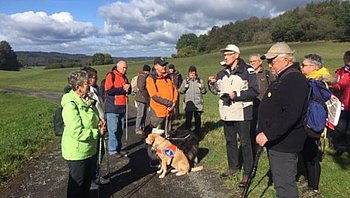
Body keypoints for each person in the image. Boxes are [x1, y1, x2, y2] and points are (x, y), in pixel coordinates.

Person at [256, 42, 309, 198]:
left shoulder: (294, 79)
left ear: (286, 60)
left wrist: (269, 134)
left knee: (285, 185)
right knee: (281, 182)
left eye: (273, 61)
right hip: (277, 140)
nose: (270, 65)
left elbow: (291, 114)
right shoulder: (284, 77)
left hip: (284, 143)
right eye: (268, 61)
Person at [208, 44, 259, 187]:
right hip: (226, 113)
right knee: (230, 141)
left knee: (245, 143)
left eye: (228, 54)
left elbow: (254, 91)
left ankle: (247, 173)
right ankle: (233, 167)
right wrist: (211, 83)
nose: (225, 57)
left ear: (236, 55)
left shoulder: (248, 70)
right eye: (224, 54)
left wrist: (236, 95)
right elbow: (216, 90)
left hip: (242, 112)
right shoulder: (222, 73)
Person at [61, 70, 106, 198]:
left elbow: (93, 117)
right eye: (86, 83)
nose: (89, 85)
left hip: (90, 150)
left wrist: (100, 122)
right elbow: (77, 132)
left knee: (86, 185)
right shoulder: (70, 104)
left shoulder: (87, 99)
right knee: (77, 188)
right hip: (77, 152)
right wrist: (97, 132)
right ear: (78, 87)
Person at [300, 54, 336, 196]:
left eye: (304, 65)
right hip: (308, 121)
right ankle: (309, 179)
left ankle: (314, 188)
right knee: (306, 152)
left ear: (314, 67)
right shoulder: (311, 79)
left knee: (312, 155)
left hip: (313, 123)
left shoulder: (317, 81)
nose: (301, 67)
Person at [81, 66, 110, 189]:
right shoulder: (85, 93)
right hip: (94, 127)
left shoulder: (96, 89)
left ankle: (96, 175)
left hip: (101, 124)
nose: (96, 79)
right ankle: (91, 179)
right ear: (87, 78)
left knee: (100, 152)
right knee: (94, 155)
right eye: (93, 77)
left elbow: (100, 105)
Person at [248, 53, 274, 156]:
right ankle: (253, 147)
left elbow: (274, 88)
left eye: (254, 61)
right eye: (250, 62)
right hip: (251, 105)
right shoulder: (248, 75)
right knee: (251, 127)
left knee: (264, 127)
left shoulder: (267, 74)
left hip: (265, 106)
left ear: (260, 62)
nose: (252, 63)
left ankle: (265, 146)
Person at [104, 60, 131, 157]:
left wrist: (129, 87)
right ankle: (112, 150)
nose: (125, 69)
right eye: (124, 68)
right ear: (118, 67)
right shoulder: (111, 75)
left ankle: (118, 149)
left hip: (122, 107)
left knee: (120, 130)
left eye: (126, 68)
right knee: (113, 130)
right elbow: (109, 90)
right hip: (112, 107)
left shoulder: (124, 77)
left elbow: (128, 90)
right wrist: (122, 89)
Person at [146, 57, 178, 134]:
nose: (164, 66)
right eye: (162, 65)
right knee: (155, 138)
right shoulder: (151, 79)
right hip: (157, 113)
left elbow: (175, 91)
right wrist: (169, 103)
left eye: (165, 65)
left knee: (167, 136)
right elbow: (154, 96)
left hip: (169, 112)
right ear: (156, 66)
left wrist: (173, 103)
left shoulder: (169, 77)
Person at [179, 65, 207, 136]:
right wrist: (185, 88)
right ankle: (187, 134)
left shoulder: (200, 81)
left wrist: (201, 87)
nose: (192, 75)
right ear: (188, 73)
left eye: (193, 73)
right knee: (188, 120)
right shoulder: (185, 81)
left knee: (198, 121)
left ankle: (197, 134)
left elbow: (204, 92)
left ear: (196, 73)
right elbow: (180, 91)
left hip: (198, 104)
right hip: (189, 105)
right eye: (191, 73)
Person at [332, 51, 350, 156]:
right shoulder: (341, 72)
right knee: (341, 127)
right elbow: (338, 86)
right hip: (344, 104)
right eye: (346, 59)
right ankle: (341, 146)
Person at [134, 64, 151, 135]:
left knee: (144, 114)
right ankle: (137, 128)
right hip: (141, 98)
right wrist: (146, 96)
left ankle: (142, 127)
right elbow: (141, 87)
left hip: (143, 98)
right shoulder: (142, 77)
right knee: (140, 114)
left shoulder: (143, 76)